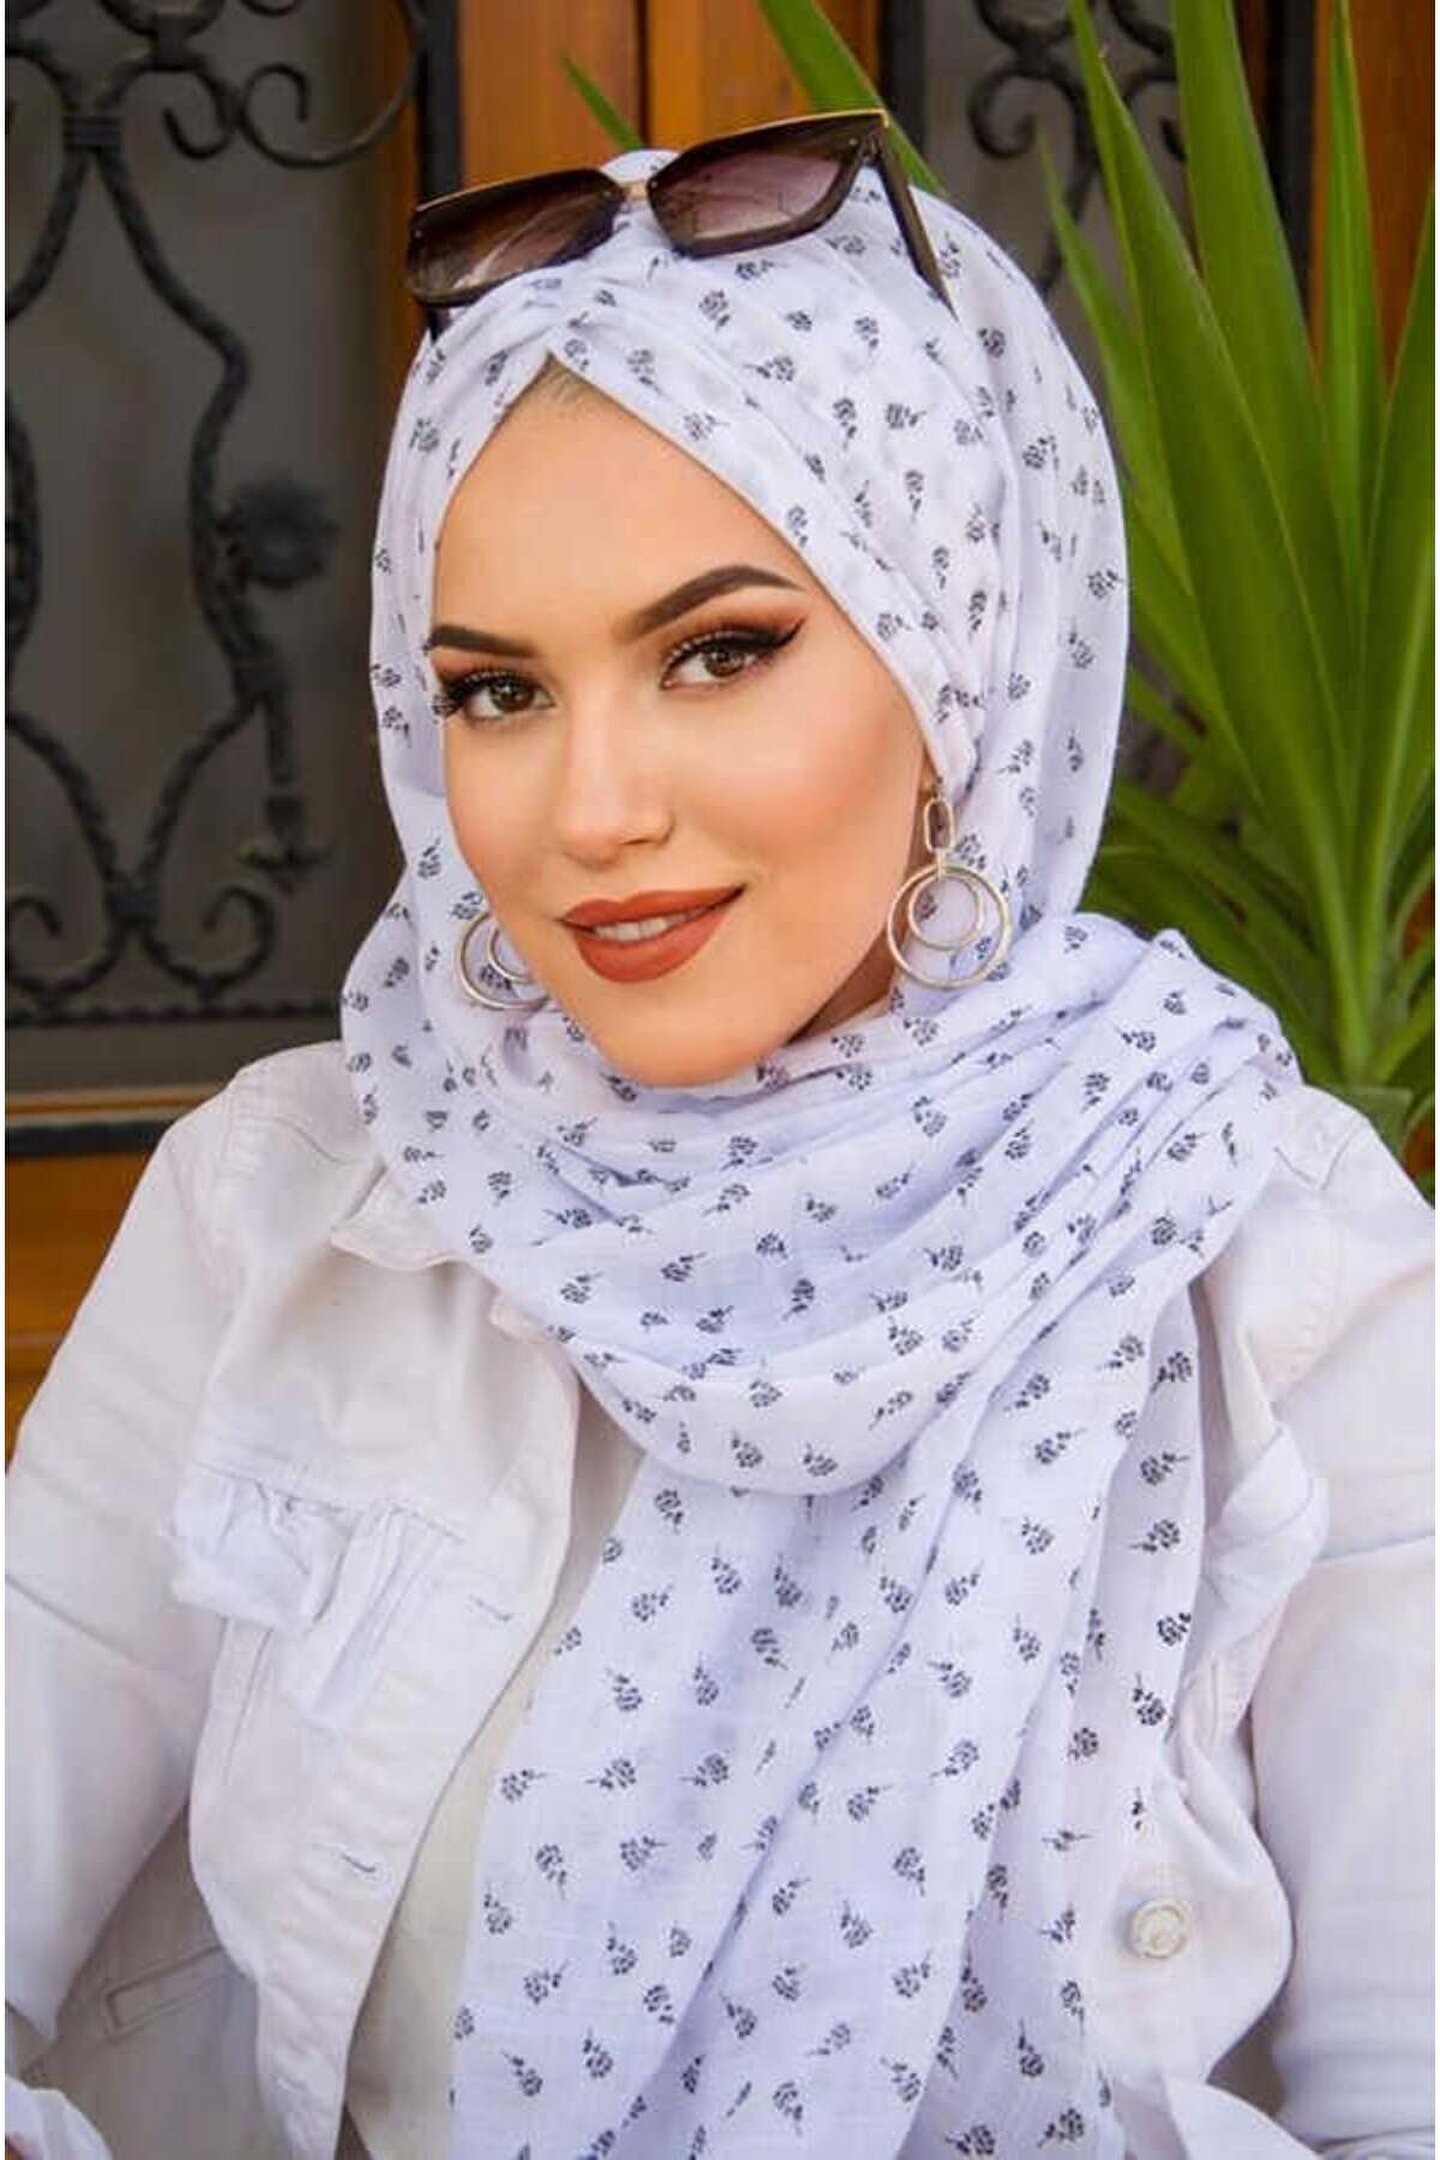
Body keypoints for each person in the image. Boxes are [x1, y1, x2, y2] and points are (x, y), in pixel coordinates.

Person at [6, 117, 1432, 2160]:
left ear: (957, 659)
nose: (589, 810)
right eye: (497, 693)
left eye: (720, 652)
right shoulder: (288, 1201)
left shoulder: (1270, 1262)